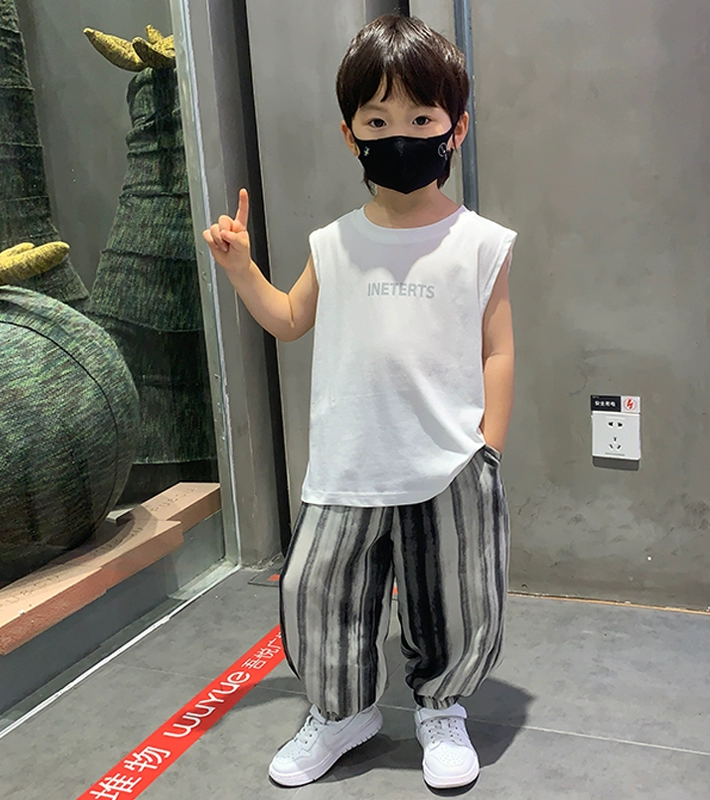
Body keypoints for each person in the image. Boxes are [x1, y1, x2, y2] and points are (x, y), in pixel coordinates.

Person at [203, 14, 516, 791]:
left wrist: (489, 447)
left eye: (421, 119)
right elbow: (289, 318)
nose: (399, 136)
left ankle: (441, 707)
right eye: (377, 121)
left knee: (453, 594)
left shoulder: (481, 242)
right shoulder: (335, 242)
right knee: (317, 589)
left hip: (449, 459)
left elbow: (498, 348)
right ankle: (342, 712)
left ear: (456, 128)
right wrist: (242, 270)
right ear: (350, 135)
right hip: (348, 460)